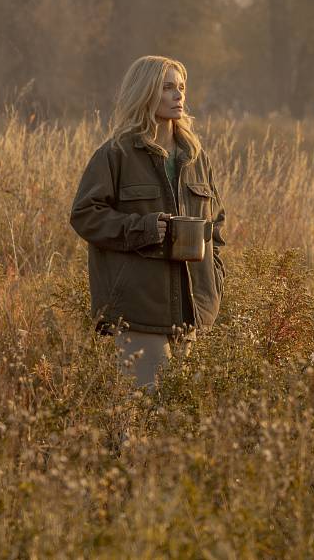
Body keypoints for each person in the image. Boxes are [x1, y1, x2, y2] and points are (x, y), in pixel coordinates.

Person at [69, 55, 226, 391]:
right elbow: (85, 214)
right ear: (145, 93)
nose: (178, 95)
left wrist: (214, 283)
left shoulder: (197, 158)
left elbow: (217, 227)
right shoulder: (115, 154)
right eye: (167, 87)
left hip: (193, 311)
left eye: (181, 87)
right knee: (141, 413)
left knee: (182, 417)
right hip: (138, 309)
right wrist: (140, 229)